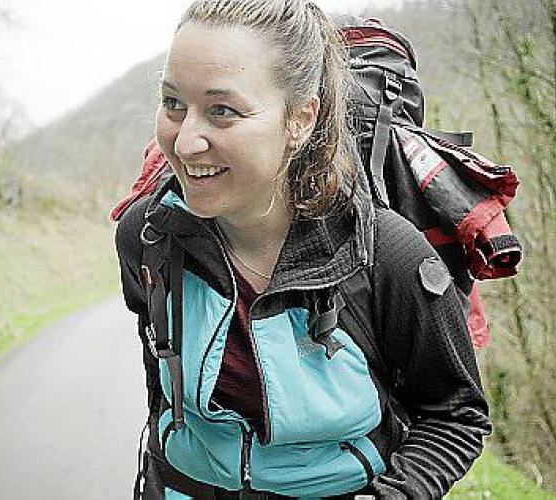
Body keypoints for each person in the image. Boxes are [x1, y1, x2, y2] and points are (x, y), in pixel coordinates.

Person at [115, 0, 492, 498]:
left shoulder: (388, 256)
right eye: (173, 104)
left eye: (222, 111)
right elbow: (163, 387)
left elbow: (455, 413)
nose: (184, 143)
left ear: (300, 120)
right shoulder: (147, 235)